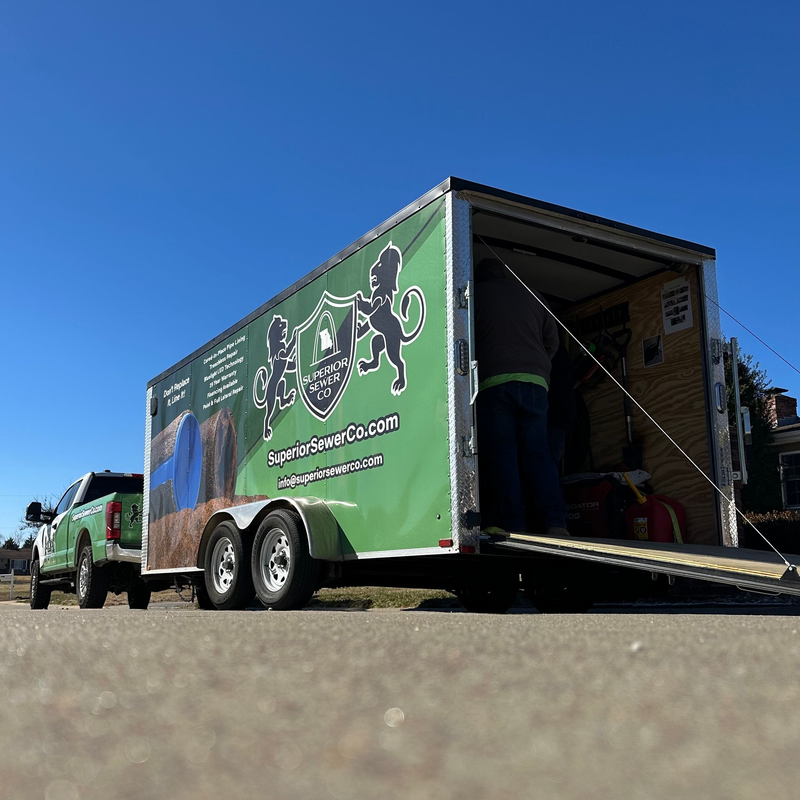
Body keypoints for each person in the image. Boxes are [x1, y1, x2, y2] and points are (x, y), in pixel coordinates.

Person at [474, 258, 568, 537]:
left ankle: (512, 524)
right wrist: (537, 366)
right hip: (537, 383)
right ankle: (556, 523)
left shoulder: (475, 295)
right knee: (538, 453)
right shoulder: (532, 295)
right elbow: (553, 342)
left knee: (503, 453)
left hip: (495, 382)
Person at [547, 336, 577, 469]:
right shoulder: (554, 342)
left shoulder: (551, 345)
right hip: (560, 414)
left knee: (546, 466)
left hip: (555, 415)